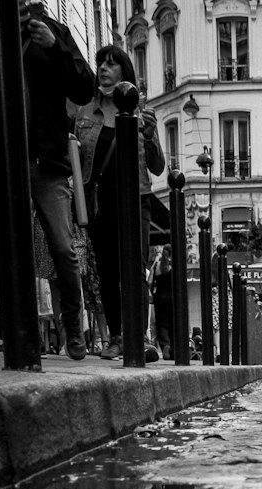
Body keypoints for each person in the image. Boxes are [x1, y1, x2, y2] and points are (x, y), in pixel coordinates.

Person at [0, 3, 95, 360]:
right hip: (4, 162)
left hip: (46, 163)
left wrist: (56, 47)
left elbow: (84, 88)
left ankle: (72, 330)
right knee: (10, 250)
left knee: (64, 250)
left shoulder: (51, 30)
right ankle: (21, 332)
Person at [74, 46, 164, 361]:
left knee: (136, 268)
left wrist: (150, 134)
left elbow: (157, 167)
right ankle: (115, 337)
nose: (103, 69)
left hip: (135, 198)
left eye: (112, 64)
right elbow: (76, 158)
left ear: (124, 72)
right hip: (100, 201)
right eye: (101, 64)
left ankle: (138, 336)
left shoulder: (142, 113)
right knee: (108, 271)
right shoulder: (85, 111)